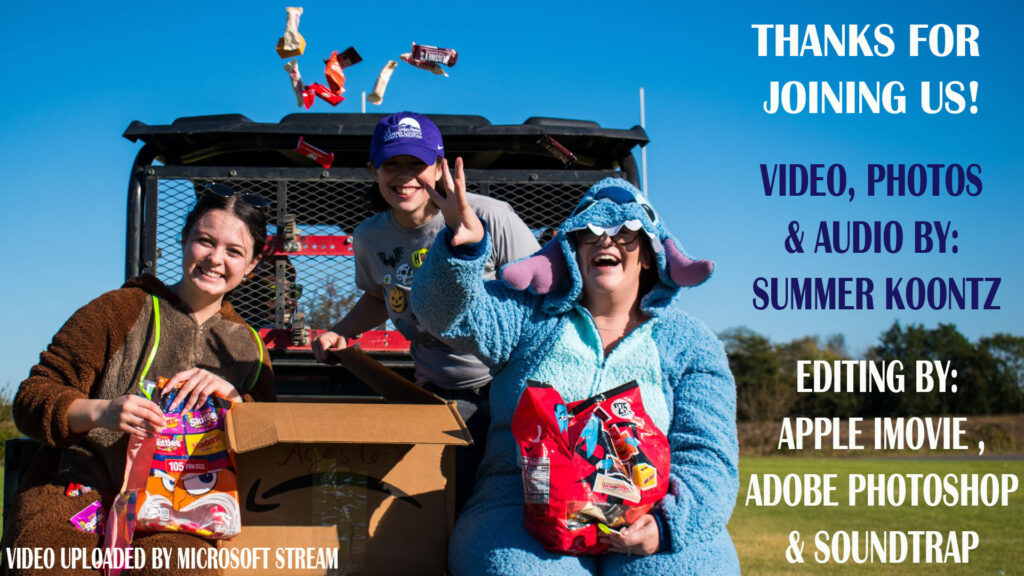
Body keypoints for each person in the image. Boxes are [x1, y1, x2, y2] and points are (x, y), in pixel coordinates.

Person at [410, 175, 740, 574]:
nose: (606, 240)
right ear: (571, 248)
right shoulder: (529, 315)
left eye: (626, 231)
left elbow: (708, 454)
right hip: (520, 504)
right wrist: (460, 249)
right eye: (590, 231)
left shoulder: (690, 343)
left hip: (651, 509)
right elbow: (444, 315)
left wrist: (668, 525)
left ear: (651, 253)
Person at [2, 183, 276, 576]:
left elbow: (270, 441)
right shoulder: (119, 309)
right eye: (205, 241)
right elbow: (32, 398)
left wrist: (237, 400)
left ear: (251, 265)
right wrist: (102, 411)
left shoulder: (250, 348)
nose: (216, 259)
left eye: (234, 251)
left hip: (182, 510)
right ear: (184, 241)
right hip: (79, 490)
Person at [311, 112, 539, 512]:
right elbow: (380, 297)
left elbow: (543, 289)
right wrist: (341, 331)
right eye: (391, 164)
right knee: (437, 505)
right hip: (434, 393)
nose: (404, 176)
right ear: (373, 171)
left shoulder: (490, 216)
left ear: (439, 167)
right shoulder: (369, 237)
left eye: (416, 163)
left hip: (506, 390)